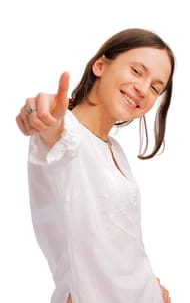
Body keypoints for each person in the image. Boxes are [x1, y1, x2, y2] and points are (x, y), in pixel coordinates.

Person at [16, 28, 175, 303]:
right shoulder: (68, 136)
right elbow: (52, 132)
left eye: (154, 87)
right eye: (137, 71)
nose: (142, 89)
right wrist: (34, 112)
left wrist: (149, 283)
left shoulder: (115, 150)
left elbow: (121, 242)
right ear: (100, 65)